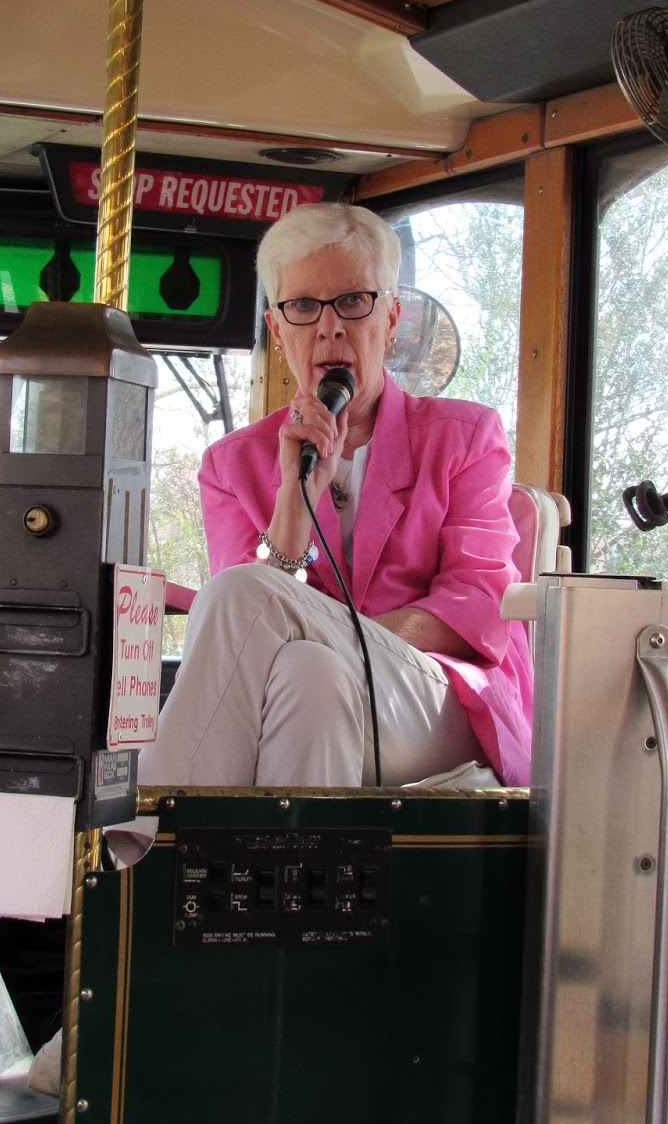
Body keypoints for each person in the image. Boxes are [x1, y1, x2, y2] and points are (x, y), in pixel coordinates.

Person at [138, 202, 532, 790]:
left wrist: (340, 632)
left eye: (353, 301)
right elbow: (246, 643)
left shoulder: (465, 436)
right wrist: (297, 495)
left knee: (249, 595)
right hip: (316, 688)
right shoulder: (233, 464)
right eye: (302, 306)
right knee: (307, 673)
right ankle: (289, 875)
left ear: (391, 318)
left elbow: (478, 606)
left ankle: (149, 833)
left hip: (439, 698)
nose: (329, 327)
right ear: (277, 329)